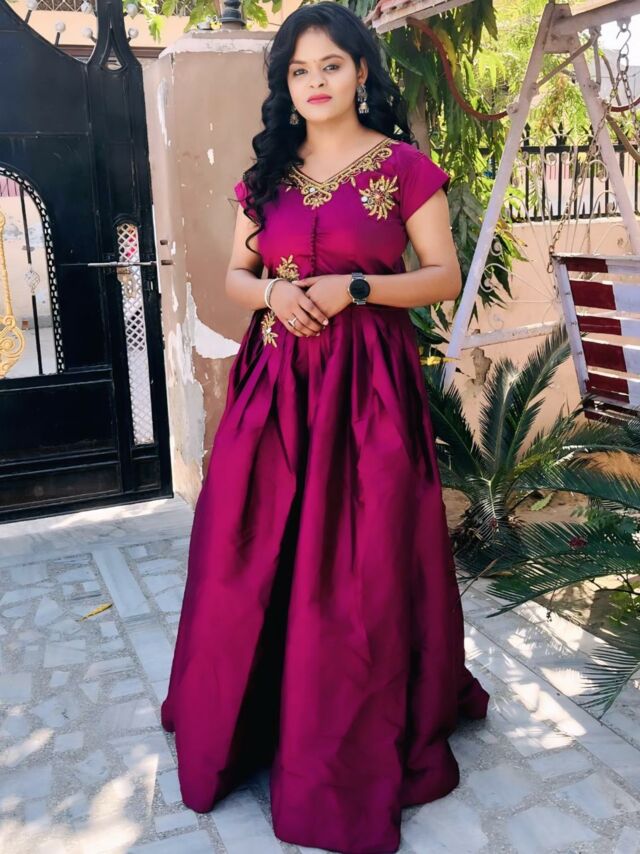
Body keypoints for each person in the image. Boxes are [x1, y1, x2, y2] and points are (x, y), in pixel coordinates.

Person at [160, 3, 490, 852]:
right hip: (275, 388)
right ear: (285, 82)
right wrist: (273, 293)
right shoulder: (266, 175)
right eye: (299, 71)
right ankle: (255, 714)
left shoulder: (404, 169)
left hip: (368, 392)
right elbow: (237, 276)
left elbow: (443, 276)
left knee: (362, 558)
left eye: (330, 66)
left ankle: (344, 730)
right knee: (246, 549)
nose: (314, 83)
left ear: (361, 71)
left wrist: (356, 289)